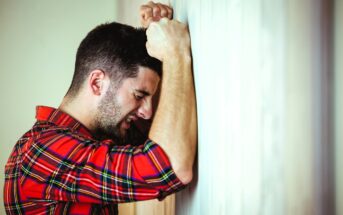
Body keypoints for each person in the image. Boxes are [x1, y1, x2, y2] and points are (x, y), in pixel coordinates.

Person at [3, 1, 197, 215]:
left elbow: (161, 130)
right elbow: (168, 167)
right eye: (139, 96)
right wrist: (175, 52)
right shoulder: (42, 151)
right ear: (97, 83)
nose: (147, 111)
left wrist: (154, 43)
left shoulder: (95, 138)